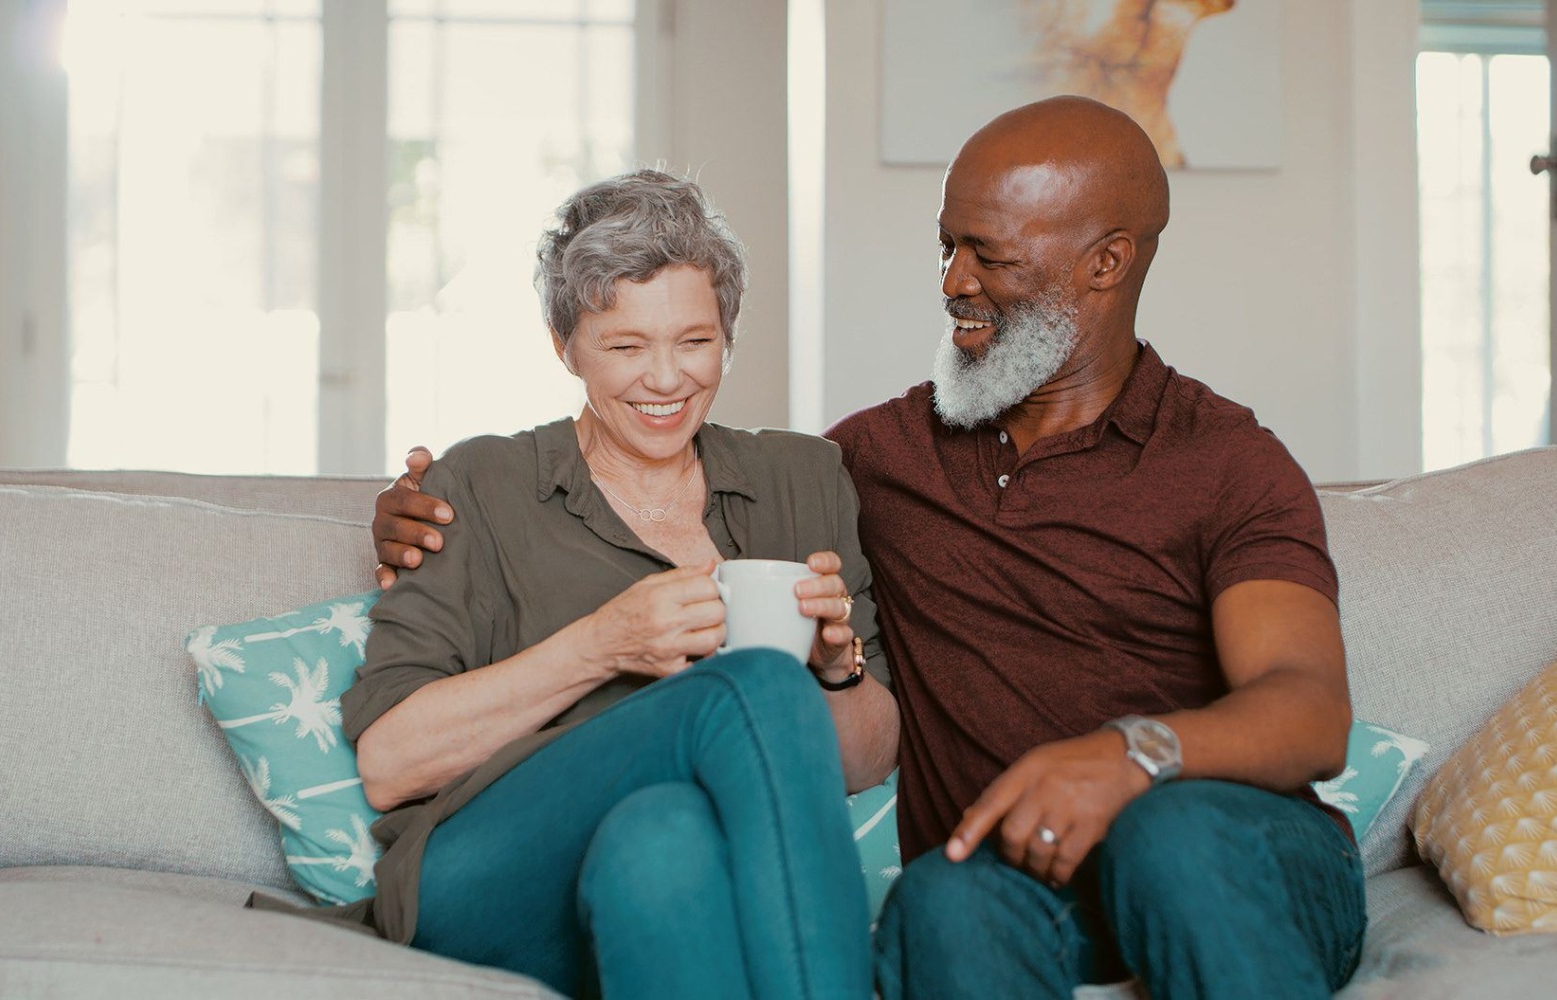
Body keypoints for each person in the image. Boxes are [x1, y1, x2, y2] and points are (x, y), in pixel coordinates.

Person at [375, 98, 1365, 999]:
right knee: (938, 895)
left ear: (1104, 262)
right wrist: (410, 514)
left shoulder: (1224, 458)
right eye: (946, 248)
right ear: (569, 345)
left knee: (1169, 833)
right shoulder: (877, 458)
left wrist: (1132, 754)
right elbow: (396, 745)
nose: (952, 283)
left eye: (988, 255)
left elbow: (1310, 707)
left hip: (1212, 846)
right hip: (1007, 874)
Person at [345, 169, 897, 1000]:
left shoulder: (803, 478)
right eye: (625, 346)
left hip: (661, 871)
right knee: (748, 685)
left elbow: (868, 756)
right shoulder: (482, 484)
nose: (667, 380)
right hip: (487, 877)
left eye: (695, 342)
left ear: (729, 335)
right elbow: (390, 765)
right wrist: (604, 643)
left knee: (661, 840)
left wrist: (834, 669)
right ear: (565, 345)